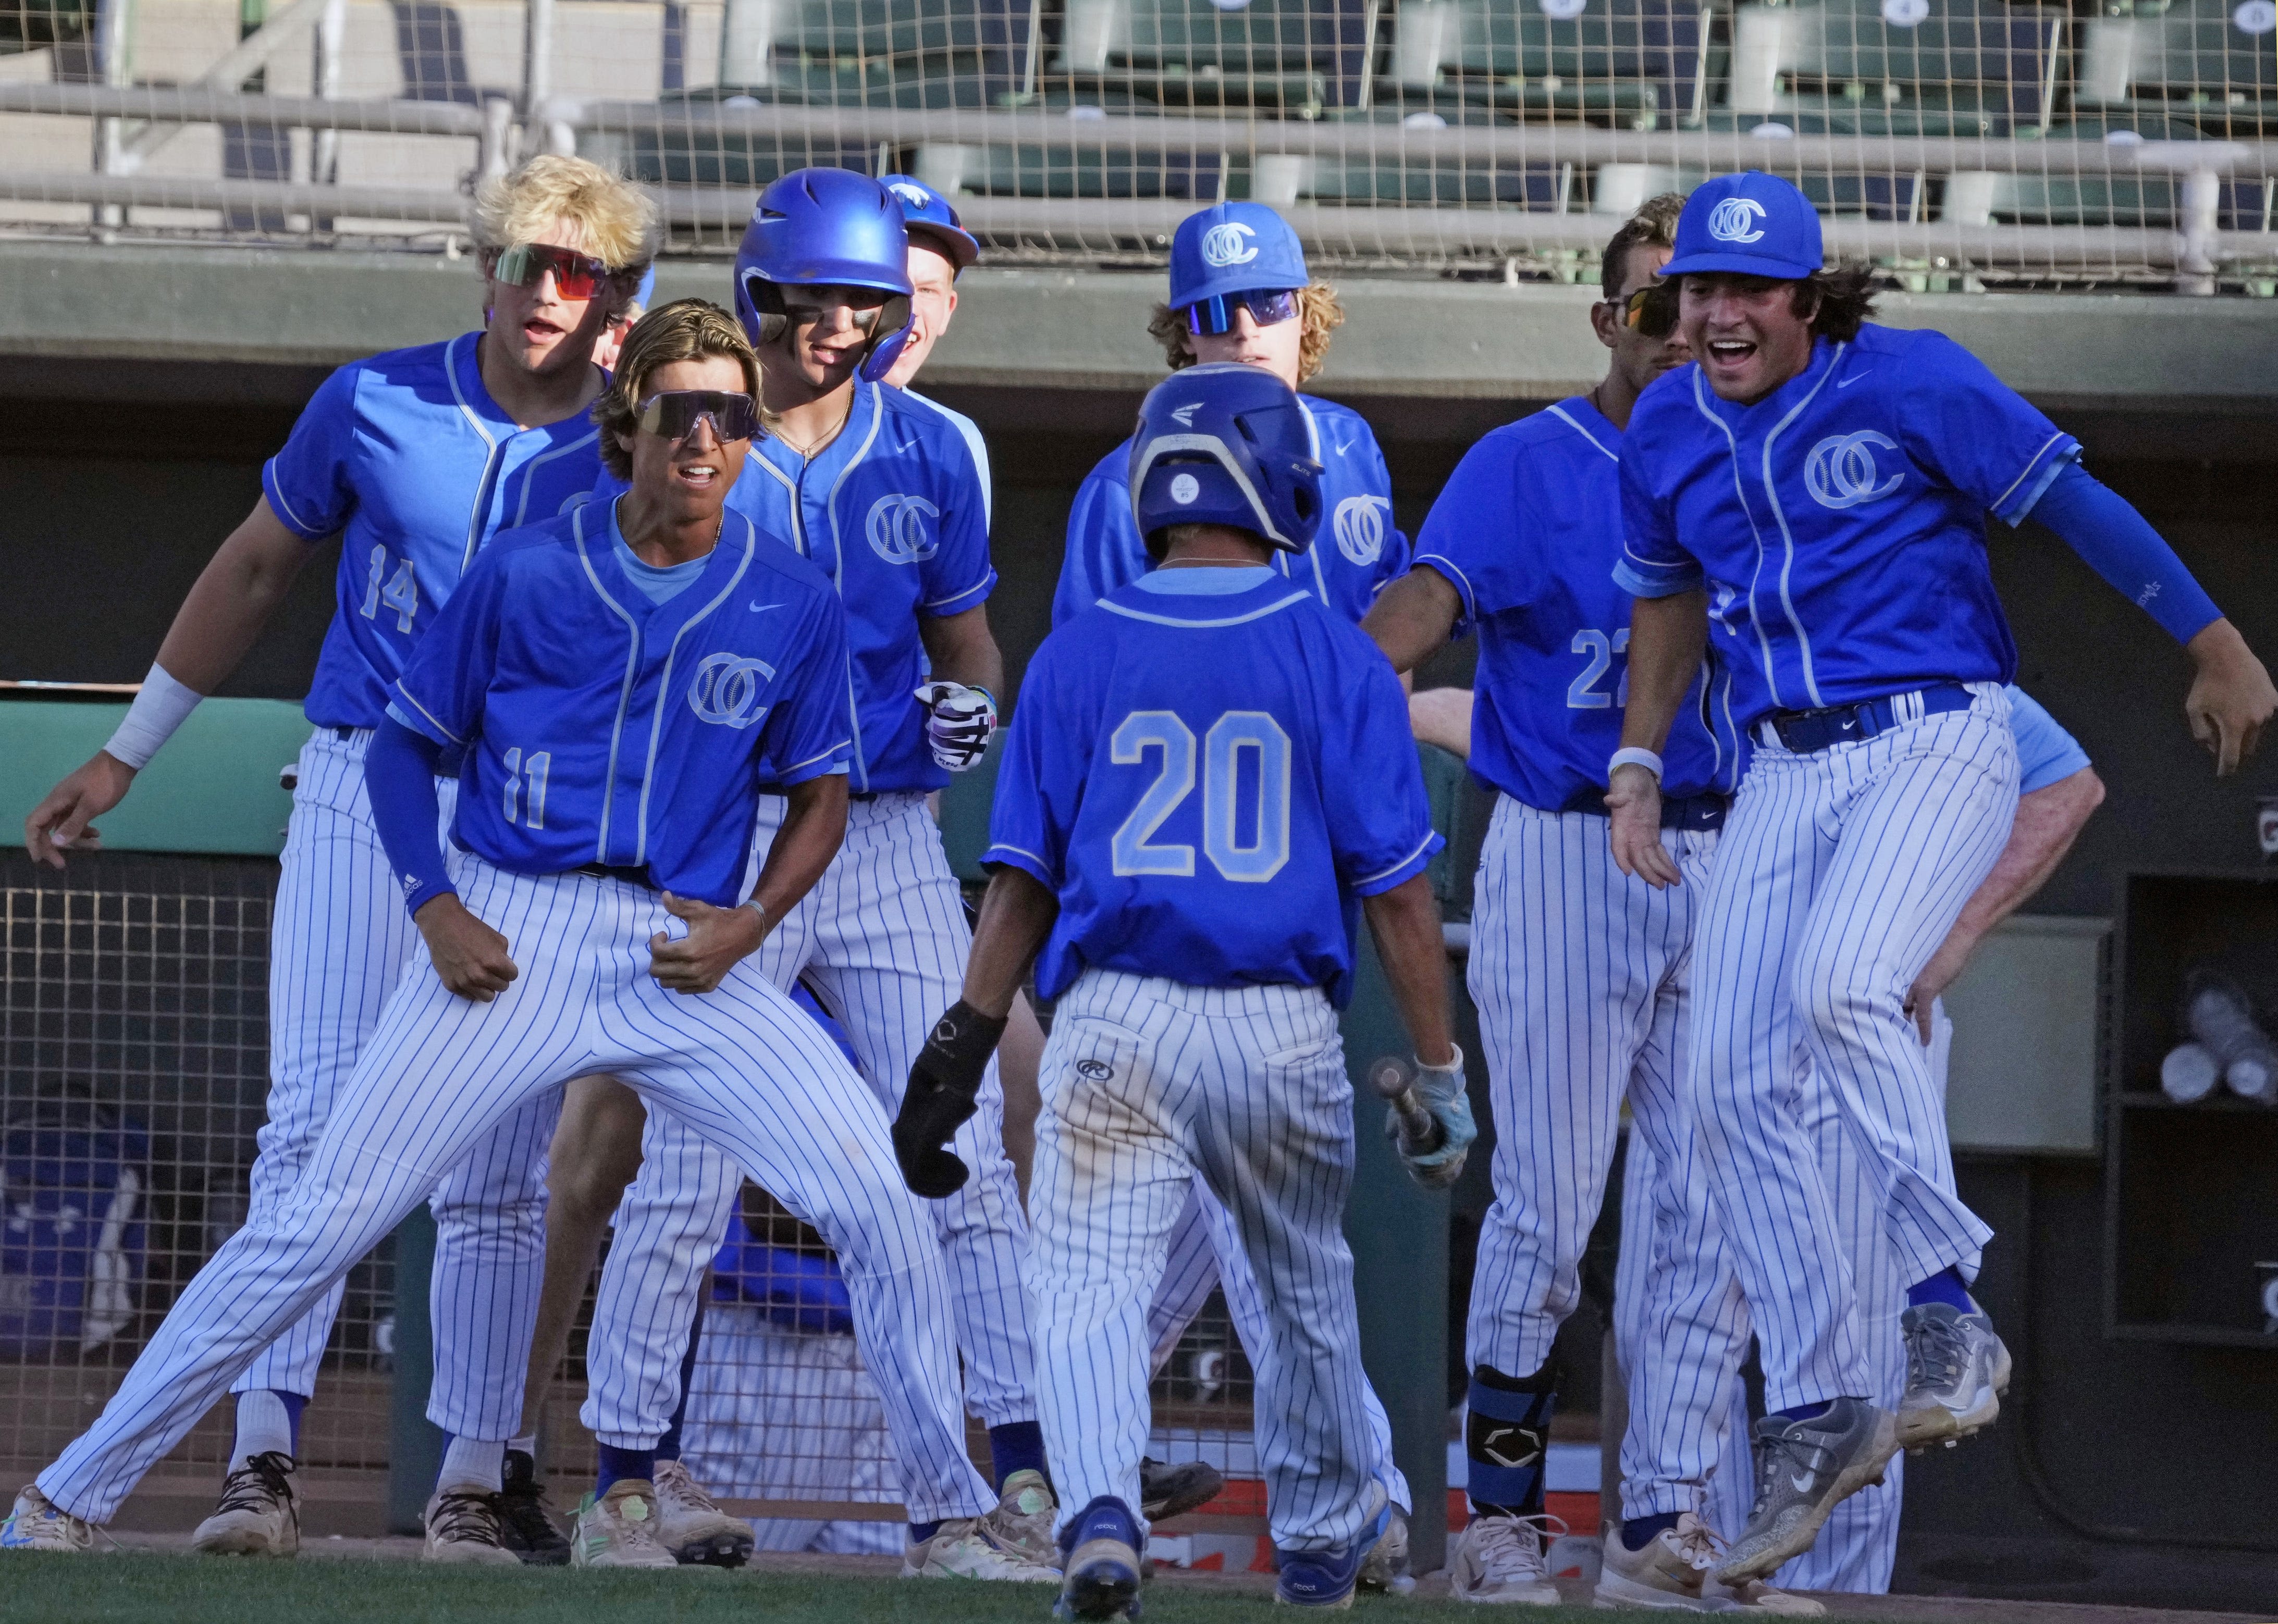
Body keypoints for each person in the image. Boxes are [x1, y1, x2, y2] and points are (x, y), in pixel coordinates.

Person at [1, 301, 1055, 1585]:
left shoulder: (792, 599)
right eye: (683, 411)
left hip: (684, 950)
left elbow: (826, 793)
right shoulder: (526, 565)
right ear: (632, 424)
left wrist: (755, 923)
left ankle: (949, 1518)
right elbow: (399, 747)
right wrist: (435, 906)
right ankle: (67, 1493)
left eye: (734, 414)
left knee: (882, 1203)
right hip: (519, 923)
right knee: (319, 1220)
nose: (709, 438)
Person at [1609, 169, 2275, 1583]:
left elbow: (2073, 504)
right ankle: (1814, 1399)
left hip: (1936, 730)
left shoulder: (1908, 378)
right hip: (1781, 763)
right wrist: (1638, 758)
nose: (1719, 315)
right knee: (1724, 1081)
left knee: (1849, 983)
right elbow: (1664, 602)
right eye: (1699, 292)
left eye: (1748, 291)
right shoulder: (1664, 422)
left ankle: (1939, 1298)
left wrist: (2208, 638)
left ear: (1805, 298)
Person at [15, 154, 654, 1565]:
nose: (549, 292)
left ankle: (476, 1476)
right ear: (482, 265)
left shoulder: (630, 441)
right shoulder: (372, 397)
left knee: (492, 1160)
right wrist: (130, 748)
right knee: (306, 1128)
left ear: (616, 296)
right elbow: (255, 566)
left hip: (520, 815)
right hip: (366, 782)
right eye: (527, 261)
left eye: (581, 272)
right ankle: (260, 1462)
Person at [521, 165, 1053, 1575]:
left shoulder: (932, 447)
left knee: (963, 1148)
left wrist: (973, 706)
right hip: (723, 835)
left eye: (866, 301)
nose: (840, 324)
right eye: (814, 297)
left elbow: (969, 643)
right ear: (757, 293)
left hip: (878, 830)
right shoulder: (692, 437)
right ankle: (625, 1476)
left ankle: (1024, 1477)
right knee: (684, 1170)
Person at [892, 361, 1467, 1617]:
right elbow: (1400, 897)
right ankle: (1320, 1542)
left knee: (1087, 1286)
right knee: (1303, 1290)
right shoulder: (1335, 652)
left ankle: (1098, 1509)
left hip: (1113, 1015)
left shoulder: (1079, 645)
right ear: (1278, 483)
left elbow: (1019, 887)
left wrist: (964, 1040)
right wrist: (1437, 1067)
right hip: (1276, 1023)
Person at [1360, 196, 1812, 1613]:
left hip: (1738, 844)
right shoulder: (1527, 459)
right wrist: (1336, 689)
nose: (1681, 325)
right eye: (1649, 301)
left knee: (1706, 1203)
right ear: (1607, 316)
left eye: (1705, 301)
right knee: (1547, 1209)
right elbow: (1411, 616)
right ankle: (1501, 1515)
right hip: (1565, 844)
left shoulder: (1778, 461)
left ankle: (1662, 1519)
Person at [1632, 687, 2104, 1594]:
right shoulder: (1699, 647)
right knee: (1677, 1309)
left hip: (1850, 1037)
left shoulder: (1874, 633)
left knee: (1870, 1354)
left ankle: (1839, 1599)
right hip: (1724, 1032)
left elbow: (2066, 782)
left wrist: (1950, 938)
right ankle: (1698, 1569)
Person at [1051, 201, 1407, 630]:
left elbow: (1387, 611)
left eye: (1269, 303)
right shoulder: (1120, 484)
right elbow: (1086, 663)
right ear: (1185, 335)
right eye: (1216, 311)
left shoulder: (1351, 440)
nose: (1245, 329)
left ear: (1306, 316)